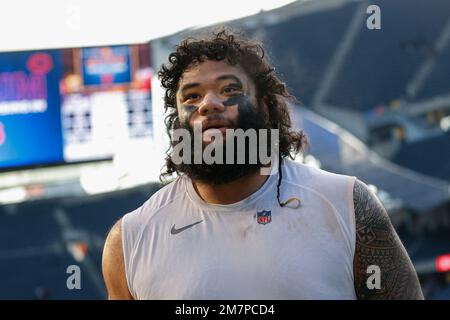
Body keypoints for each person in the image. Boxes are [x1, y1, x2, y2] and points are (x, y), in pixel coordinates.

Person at [102, 30, 424, 300]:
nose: (209, 104)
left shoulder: (347, 204)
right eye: (191, 96)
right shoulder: (129, 242)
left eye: (230, 89)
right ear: (177, 120)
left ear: (266, 109)